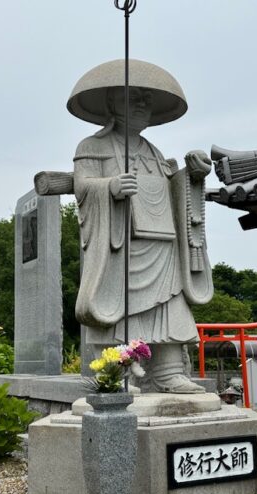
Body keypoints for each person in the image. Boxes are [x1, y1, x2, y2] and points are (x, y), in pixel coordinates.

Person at [68, 59, 213, 393]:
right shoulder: (93, 146)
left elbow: (174, 189)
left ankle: (168, 371)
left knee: (170, 304)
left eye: (147, 100)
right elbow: (82, 185)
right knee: (117, 305)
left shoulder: (154, 150)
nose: (143, 105)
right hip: (120, 244)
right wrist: (110, 187)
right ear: (111, 103)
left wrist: (192, 173)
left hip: (163, 243)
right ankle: (115, 370)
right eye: (134, 98)